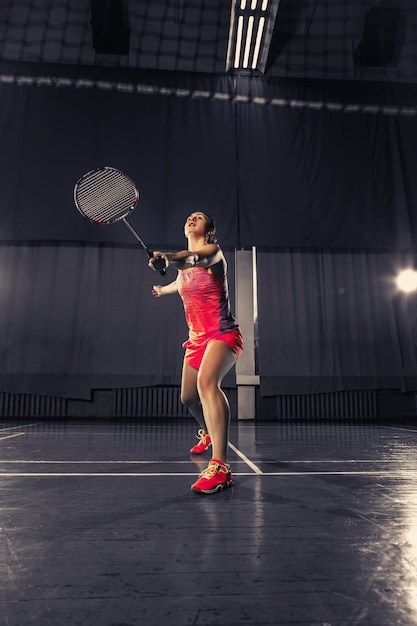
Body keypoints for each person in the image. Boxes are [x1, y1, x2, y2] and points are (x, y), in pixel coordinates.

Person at [149, 211, 243, 495]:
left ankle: (220, 467)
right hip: (196, 339)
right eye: (190, 216)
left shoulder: (213, 254)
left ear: (210, 230)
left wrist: (167, 258)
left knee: (206, 383)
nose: (192, 218)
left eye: (199, 217)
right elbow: (182, 280)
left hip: (222, 334)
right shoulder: (184, 268)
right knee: (188, 397)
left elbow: (193, 259)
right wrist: (163, 290)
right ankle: (207, 432)